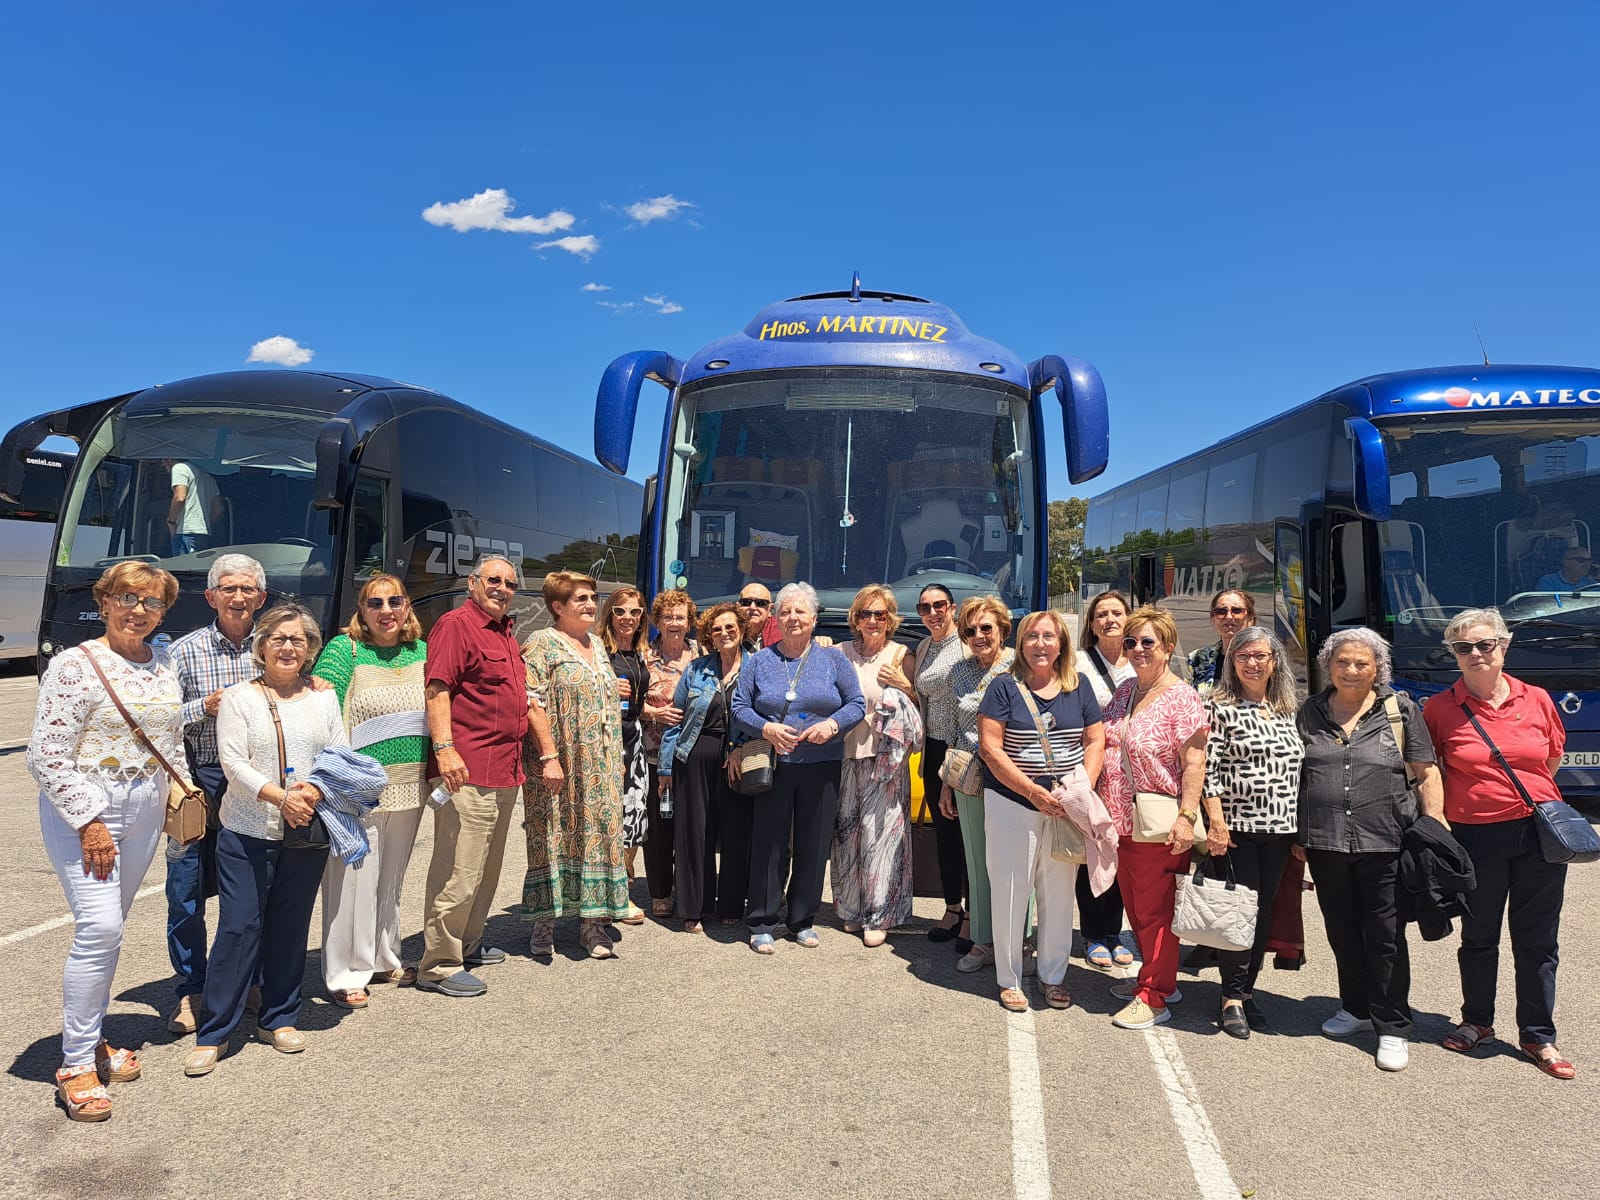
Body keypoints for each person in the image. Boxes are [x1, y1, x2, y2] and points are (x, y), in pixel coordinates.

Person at [30, 562, 182, 1121]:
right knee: (100, 927)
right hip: (89, 812)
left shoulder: (163, 662)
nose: (139, 610)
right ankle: (74, 1063)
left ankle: (91, 1037)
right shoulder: (74, 666)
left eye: (153, 603)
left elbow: (170, 735)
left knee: (110, 931)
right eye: (128, 598)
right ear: (104, 600)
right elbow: (45, 755)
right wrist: (90, 821)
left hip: (145, 807)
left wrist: (181, 792)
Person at [184, 604, 345, 1076]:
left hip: (305, 830)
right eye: (278, 638)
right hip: (247, 830)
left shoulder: (323, 697)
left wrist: (312, 791)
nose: (288, 647)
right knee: (238, 928)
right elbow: (232, 763)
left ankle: (278, 1017)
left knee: (290, 926)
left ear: (311, 648)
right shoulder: (238, 697)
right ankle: (214, 1032)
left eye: (298, 640)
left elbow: (338, 751)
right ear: (261, 645)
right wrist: (280, 797)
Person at [1422, 609, 1575, 1080]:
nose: (1475, 654)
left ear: (1503, 647)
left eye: (1484, 645)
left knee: (1537, 940)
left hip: (1538, 835)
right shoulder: (1440, 709)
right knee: (1479, 936)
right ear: (1454, 655)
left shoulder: (1538, 699)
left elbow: (1551, 759)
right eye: (1463, 647)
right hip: (1475, 837)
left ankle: (1538, 1035)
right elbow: (1433, 771)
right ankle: (1476, 1021)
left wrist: (1519, 799)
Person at [1300, 627, 1444, 1072]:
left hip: (1385, 842)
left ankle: (1393, 1025)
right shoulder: (1310, 712)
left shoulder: (1399, 710)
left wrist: (1435, 827)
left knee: (1384, 938)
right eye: (1342, 661)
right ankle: (1356, 1009)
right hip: (1325, 843)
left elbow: (1426, 771)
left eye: (1362, 662)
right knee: (1341, 931)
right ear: (1329, 665)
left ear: (1377, 668)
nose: (1351, 669)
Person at [311, 575, 429, 1008]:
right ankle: (345, 972)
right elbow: (322, 710)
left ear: (407, 606)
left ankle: (383, 955)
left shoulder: (421, 650)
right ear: (361, 610)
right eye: (375, 603)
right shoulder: (346, 651)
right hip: (359, 788)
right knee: (353, 880)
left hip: (409, 781)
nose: (386, 610)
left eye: (394, 601)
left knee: (392, 878)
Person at [978, 610, 1104, 1012]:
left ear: (1062, 643)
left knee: (1059, 893)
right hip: (1013, 803)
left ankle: (1052, 976)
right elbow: (991, 748)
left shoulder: (1078, 686)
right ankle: (1010, 978)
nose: (1040, 644)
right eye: (1032, 636)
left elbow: (1095, 740)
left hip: (1065, 806)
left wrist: (1078, 788)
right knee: (1012, 892)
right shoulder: (1003, 687)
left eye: (1049, 636)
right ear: (1021, 643)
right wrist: (1032, 791)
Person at [163, 553, 269, 1035]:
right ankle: (191, 988)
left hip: (250, 783)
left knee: (248, 887)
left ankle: (248, 980)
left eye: (248, 589)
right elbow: (159, 720)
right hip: (197, 781)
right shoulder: (182, 652)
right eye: (229, 588)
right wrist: (202, 707)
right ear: (211, 597)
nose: (239, 597)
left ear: (261, 597)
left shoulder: (272, 647)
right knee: (186, 891)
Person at [416, 555, 530, 998]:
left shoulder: (504, 632)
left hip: (503, 770)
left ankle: (468, 943)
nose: (502, 588)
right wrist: (444, 750)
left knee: (486, 868)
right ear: (472, 583)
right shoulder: (455, 625)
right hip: (466, 770)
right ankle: (438, 965)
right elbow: (437, 689)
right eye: (493, 580)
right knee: (457, 870)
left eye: (509, 583)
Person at [732, 581, 866, 953]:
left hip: (821, 764)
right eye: (785, 611)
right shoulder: (758, 662)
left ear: (813, 618)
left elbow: (856, 703)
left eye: (800, 611)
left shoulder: (834, 659)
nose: (792, 618)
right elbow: (740, 707)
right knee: (770, 843)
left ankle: (802, 919)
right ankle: (762, 920)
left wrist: (832, 725)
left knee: (814, 842)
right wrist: (768, 727)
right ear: (776, 617)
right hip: (774, 764)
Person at [1098, 606, 1207, 1030]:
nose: (1138, 649)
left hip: (1157, 822)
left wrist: (1186, 816)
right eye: (1131, 642)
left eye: (1148, 643)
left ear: (1168, 648)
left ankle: (1155, 996)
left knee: (1157, 911)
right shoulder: (1125, 690)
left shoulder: (1182, 697)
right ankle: (1157, 978)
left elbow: (1194, 763)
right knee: (1138, 909)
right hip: (1121, 821)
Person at [1198, 626, 1304, 1040]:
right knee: (1237, 915)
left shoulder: (1287, 708)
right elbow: (1210, 769)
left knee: (1263, 915)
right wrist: (1216, 822)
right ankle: (1230, 997)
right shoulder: (1220, 706)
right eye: (1243, 657)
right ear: (1232, 662)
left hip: (1281, 829)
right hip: (1238, 830)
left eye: (1260, 655)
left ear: (1274, 661)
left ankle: (1246, 990)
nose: (1252, 663)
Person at [522, 572, 631, 959]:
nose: (590, 604)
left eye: (592, 597)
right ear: (558, 606)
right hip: (560, 760)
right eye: (580, 599)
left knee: (599, 837)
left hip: (600, 763)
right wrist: (549, 757)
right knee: (554, 833)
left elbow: (604, 704)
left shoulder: (597, 643)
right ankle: (544, 925)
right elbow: (531, 702)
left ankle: (592, 925)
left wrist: (616, 758)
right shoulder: (541, 643)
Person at [879, 583, 969, 944]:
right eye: (925, 607)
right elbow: (923, 702)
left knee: (967, 835)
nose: (933, 613)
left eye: (940, 605)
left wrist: (904, 684)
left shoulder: (965, 646)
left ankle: (974, 913)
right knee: (945, 835)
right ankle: (952, 908)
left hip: (960, 750)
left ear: (953, 607)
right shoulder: (925, 646)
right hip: (932, 748)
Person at [832, 585, 918, 947]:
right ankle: (851, 908)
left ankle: (880, 914)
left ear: (890, 619)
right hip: (844, 755)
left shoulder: (902, 655)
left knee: (881, 837)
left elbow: (918, 712)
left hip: (886, 760)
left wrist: (907, 687)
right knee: (847, 834)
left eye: (880, 614)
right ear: (855, 618)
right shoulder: (839, 653)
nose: (872, 621)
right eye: (865, 614)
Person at [659, 603, 750, 931]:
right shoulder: (696, 669)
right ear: (709, 636)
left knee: (736, 832)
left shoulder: (756, 667)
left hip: (739, 759)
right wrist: (666, 769)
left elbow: (764, 713)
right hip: (694, 755)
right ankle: (693, 907)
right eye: (717, 629)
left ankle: (729, 904)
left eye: (730, 627)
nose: (724, 633)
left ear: (741, 629)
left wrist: (740, 746)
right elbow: (676, 720)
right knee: (694, 833)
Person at [942, 597, 1016, 975]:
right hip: (969, 776)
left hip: (1014, 777)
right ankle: (983, 941)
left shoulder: (1020, 666)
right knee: (978, 861)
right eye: (970, 630)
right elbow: (955, 729)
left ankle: (1021, 941)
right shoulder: (959, 672)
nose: (979, 636)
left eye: (986, 628)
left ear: (1002, 628)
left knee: (1017, 861)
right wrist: (945, 784)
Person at [1073, 590, 1137, 969]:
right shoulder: (1079, 662)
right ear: (1092, 624)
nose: (1110, 619)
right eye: (1101, 615)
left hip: (1132, 776)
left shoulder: (1142, 659)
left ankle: (1115, 932)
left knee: (1124, 852)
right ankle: (1093, 934)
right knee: (1093, 852)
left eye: (1116, 613)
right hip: (1093, 767)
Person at [639, 589, 697, 914]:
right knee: (660, 824)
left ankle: (689, 886)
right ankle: (660, 891)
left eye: (680, 617)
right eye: (668, 617)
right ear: (658, 621)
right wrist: (654, 713)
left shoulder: (701, 657)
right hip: (653, 755)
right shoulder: (644, 657)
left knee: (690, 825)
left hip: (692, 757)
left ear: (689, 622)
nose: (674, 623)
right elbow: (630, 703)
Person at [600, 587, 651, 925]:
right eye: (620, 611)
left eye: (634, 612)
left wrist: (654, 710)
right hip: (607, 743)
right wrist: (604, 685)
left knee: (634, 818)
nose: (628, 618)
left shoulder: (641, 652)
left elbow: (638, 700)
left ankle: (623, 888)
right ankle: (609, 894)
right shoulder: (599, 652)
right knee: (609, 819)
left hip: (635, 742)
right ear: (610, 615)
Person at [1188, 589, 1256, 697]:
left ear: (1250, 619)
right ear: (1213, 619)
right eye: (1221, 612)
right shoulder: (1197, 658)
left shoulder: (1263, 659)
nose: (1229, 617)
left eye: (1237, 610)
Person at [164, 458, 220, 555]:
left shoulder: (179, 468)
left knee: (182, 567)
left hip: (186, 532)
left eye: (163, 464)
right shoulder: (208, 476)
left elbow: (180, 497)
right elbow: (218, 509)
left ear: (169, 460)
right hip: (205, 533)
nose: (165, 468)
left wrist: (171, 521)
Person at [737, 582, 773, 652]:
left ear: (770, 610)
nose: (752, 607)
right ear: (738, 607)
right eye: (746, 602)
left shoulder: (783, 634)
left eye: (760, 603)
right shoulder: (727, 632)